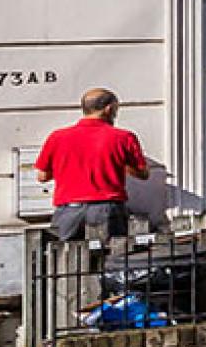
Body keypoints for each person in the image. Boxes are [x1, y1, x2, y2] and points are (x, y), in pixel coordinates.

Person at [33, 89, 155, 251]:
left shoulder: (58, 137)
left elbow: (42, 176)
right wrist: (118, 163)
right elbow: (143, 173)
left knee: (64, 258)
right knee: (110, 257)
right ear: (109, 109)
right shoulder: (123, 137)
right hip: (107, 208)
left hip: (68, 209)